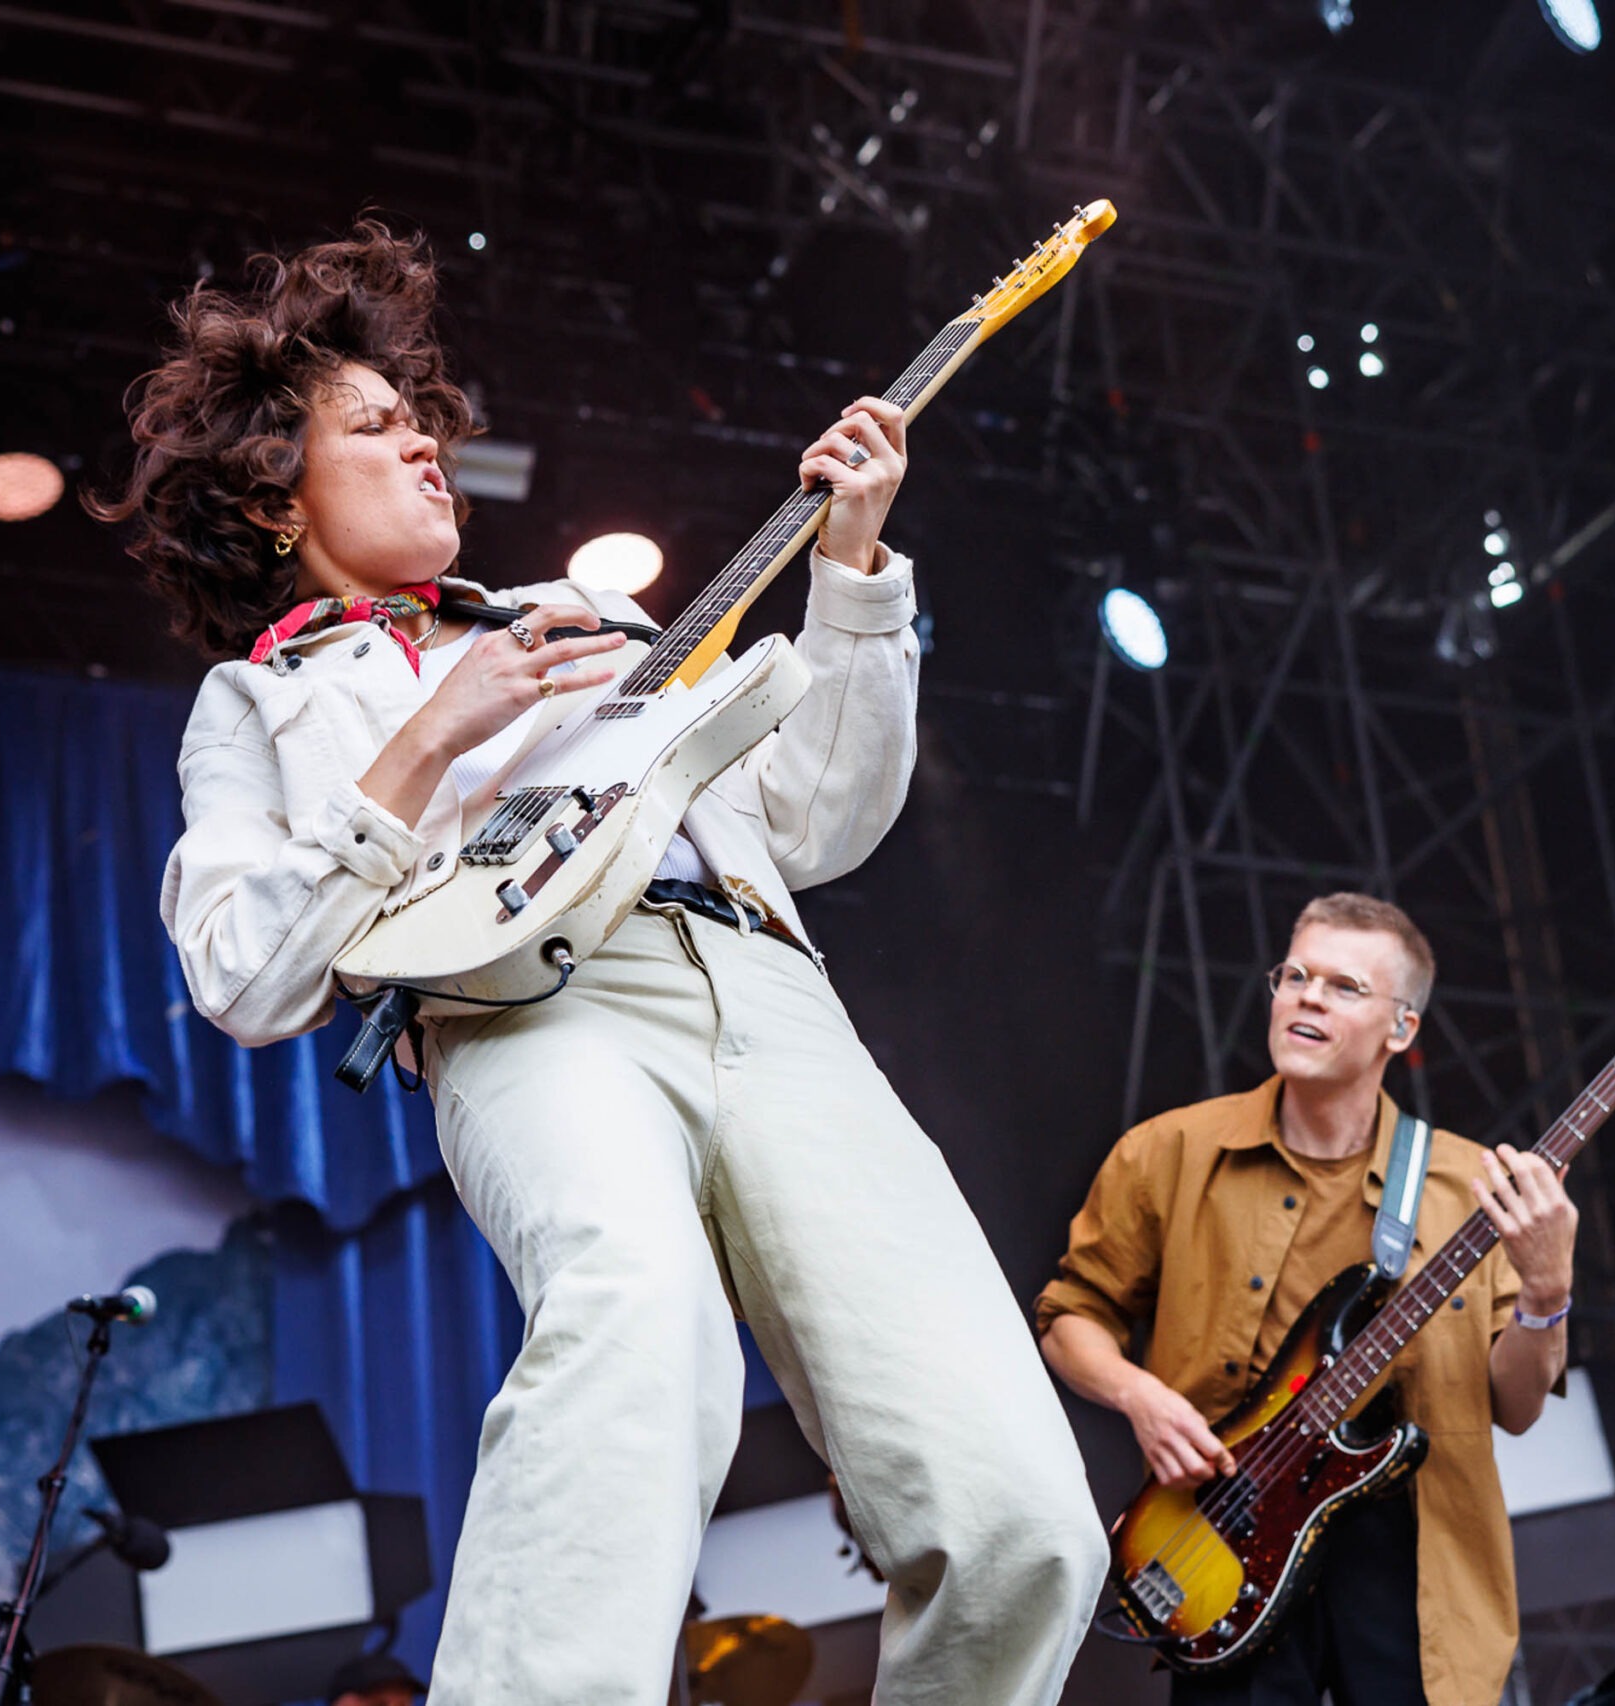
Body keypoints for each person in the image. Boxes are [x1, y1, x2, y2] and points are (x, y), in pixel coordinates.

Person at [96, 220, 1106, 1706]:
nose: (428, 449)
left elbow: (818, 818)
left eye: (426, 422)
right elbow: (243, 975)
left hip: (773, 996)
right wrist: (432, 732)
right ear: (271, 499)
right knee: (640, 1315)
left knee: (1021, 1514)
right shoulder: (262, 701)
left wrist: (851, 566)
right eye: (377, 429)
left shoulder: (604, 629)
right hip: (538, 1021)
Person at [1036, 893, 1578, 1706]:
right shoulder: (1169, 1152)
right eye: (1295, 975)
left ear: (1401, 1030)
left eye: (1345, 986)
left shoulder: (1474, 1188)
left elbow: (1518, 1405)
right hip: (1224, 1538)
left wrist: (1548, 1288)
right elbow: (1069, 1318)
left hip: (1413, 1566)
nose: (1308, 997)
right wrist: (1140, 1398)